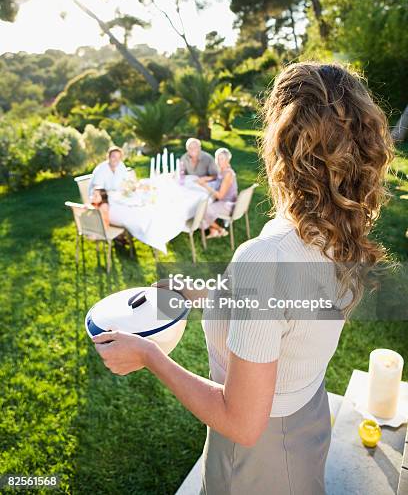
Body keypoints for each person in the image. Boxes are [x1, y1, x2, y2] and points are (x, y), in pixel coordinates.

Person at [91, 62, 394, 495]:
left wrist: (148, 356)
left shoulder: (267, 255)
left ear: (281, 146)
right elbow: (288, 310)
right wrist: (197, 291)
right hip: (307, 416)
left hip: (260, 459)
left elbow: (241, 421)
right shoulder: (338, 231)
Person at [197, 147, 238, 238]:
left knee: (203, 210)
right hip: (225, 201)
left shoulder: (228, 174)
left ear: (227, 160)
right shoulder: (224, 170)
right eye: (217, 158)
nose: (219, 161)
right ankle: (213, 230)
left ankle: (220, 230)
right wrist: (208, 178)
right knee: (205, 204)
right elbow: (218, 177)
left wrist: (205, 185)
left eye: (222, 159)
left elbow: (220, 196)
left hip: (228, 204)